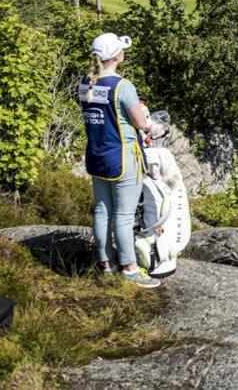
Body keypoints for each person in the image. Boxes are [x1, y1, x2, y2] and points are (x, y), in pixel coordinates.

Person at [78, 33, 160, 288]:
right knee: (124, 216)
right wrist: (153, 127)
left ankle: (106, 263)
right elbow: (141, 124)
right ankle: (130, 269)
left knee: (102, 210)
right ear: (117, 56)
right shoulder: (123, 86)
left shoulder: (86, 83)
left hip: (96, 154)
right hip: (123, 156)